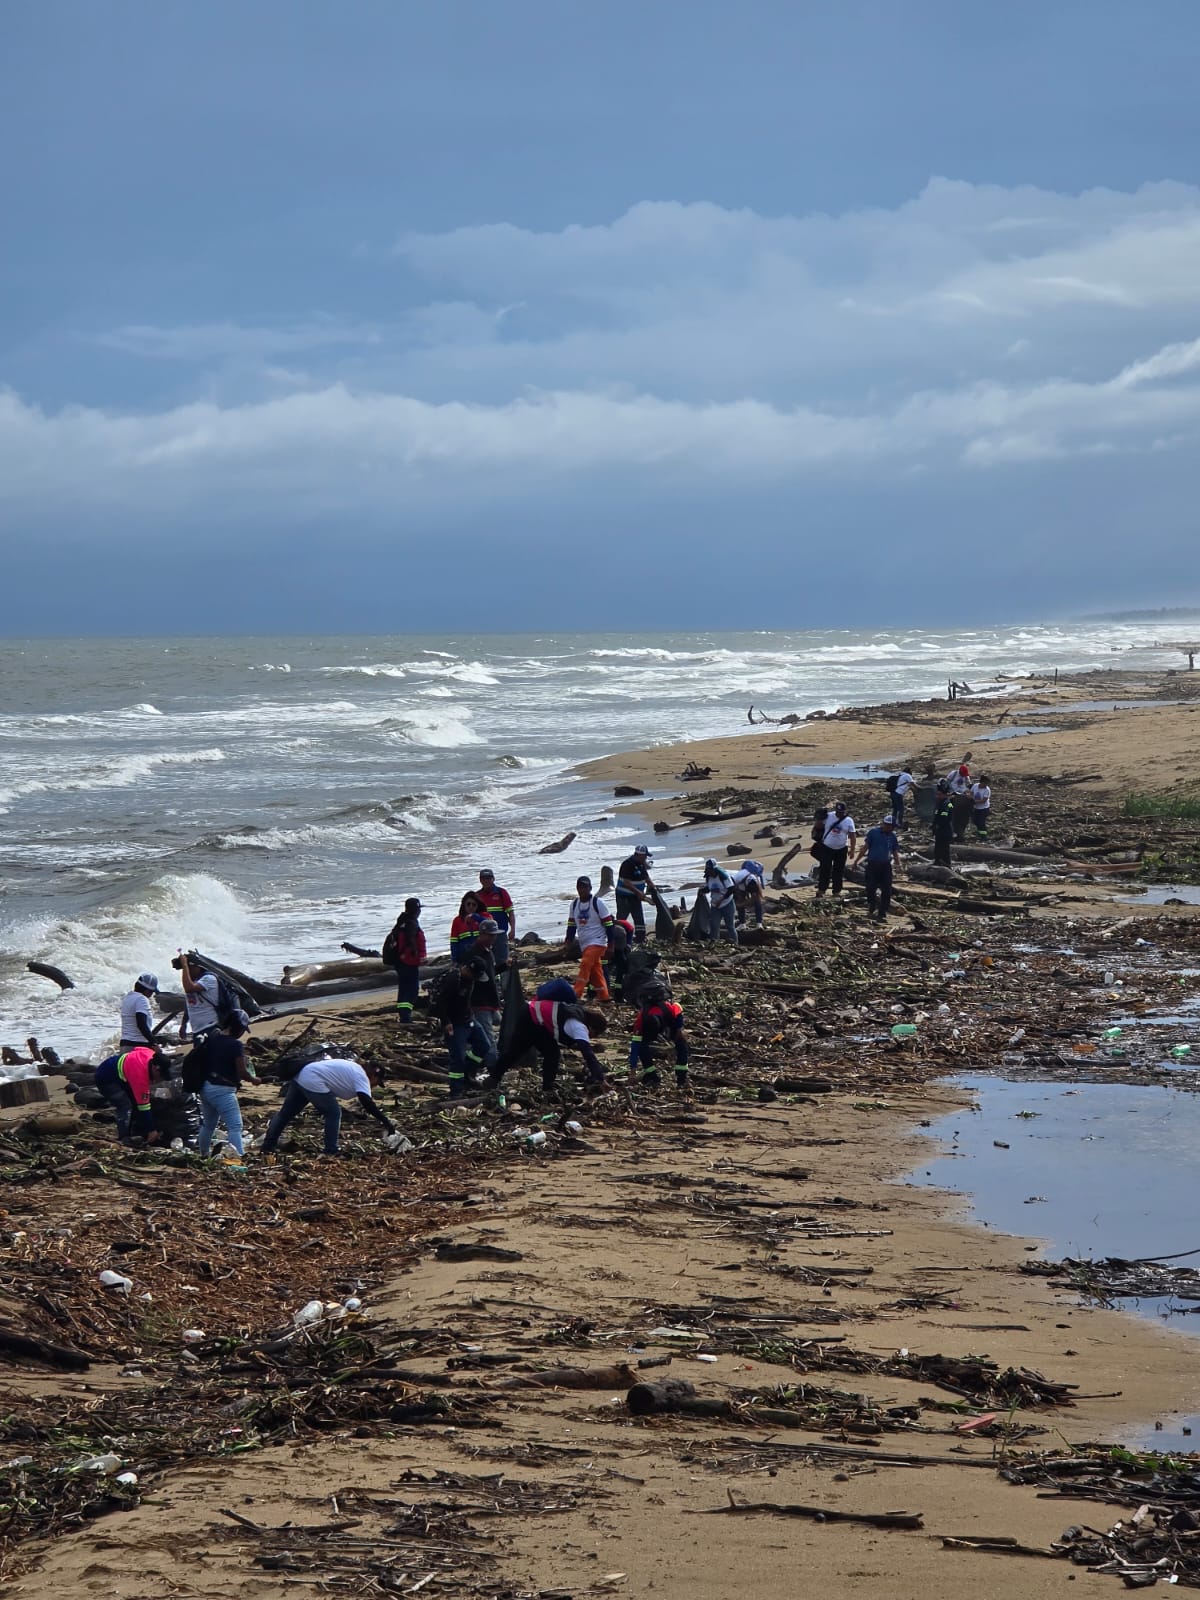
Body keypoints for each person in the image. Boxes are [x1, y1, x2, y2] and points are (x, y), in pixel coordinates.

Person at [259, 1055, 396, 1158]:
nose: (375, 1086)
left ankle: (268, 1146)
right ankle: (331, 1149)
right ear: (373, 1075)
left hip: (301, 1075)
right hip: (313, 1080)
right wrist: (386, 1122)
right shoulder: (361, 1076)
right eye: (377, 1082)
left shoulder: (354, 1068)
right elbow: (367, 1103)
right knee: (334, 1113)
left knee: (285, 1114)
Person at [489, 996, 609, 1095]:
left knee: (517, 1052)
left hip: (534, 1016)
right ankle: (547, 1089)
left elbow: (572, 1041)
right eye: (594, 1034)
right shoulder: (578, 1026)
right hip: (531, 1018)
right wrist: (601, 1078)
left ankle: (493, 1078)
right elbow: (587, 1054)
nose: (591, 1037)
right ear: (592, 1028)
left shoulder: (580, 1014)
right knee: (548, 1053)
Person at [196, 1014, 254, 1160]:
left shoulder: (212, 1039)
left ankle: (203, 1154)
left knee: (208, 1125)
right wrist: (255, 1079)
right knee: (235, 1126)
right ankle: (237, 1158)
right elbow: (242, 1072)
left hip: (205, 1086)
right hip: (223, 1090)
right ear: (237, 1027)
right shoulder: (235, 1045)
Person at [432, 963, 481, 1099]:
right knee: (457, 1058)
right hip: (454, 1024)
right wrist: (446, 1021)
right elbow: (440, 1002)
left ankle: (468, 1073)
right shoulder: (453, 980)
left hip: (468, 1019)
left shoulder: (470, 980)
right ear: (467, 970)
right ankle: (456, 1090)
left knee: (483, 1045)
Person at [630, 983, 690, 1090]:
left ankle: (681, 1078)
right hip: (658, 1025)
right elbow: (635, 1046)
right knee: (642, 1048)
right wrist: (632, 1071)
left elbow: (678, 1010)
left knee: (682, 1045)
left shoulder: (669, 1009)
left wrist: (679, 1029)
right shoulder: (642, 1019)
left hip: (670, 1023)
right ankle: (652, 1075)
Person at [95, 1045, 160, 1142]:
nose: (159, 1080)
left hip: (121, 1074)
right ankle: (123, 1137)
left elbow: (138, 1048)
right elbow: (144, 1106)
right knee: (125, 1105)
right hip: (106, 1077)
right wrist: (151, 1130)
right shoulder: (140, 1076)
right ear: (155, 1068)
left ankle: (137, 1130)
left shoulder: (151, 1055)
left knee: (135, 1101)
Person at [463, 917, 502, 1076]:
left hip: (491, 1002)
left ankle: (477, 1062)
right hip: (480, 1003)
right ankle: (493, 1071)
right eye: (491, 935)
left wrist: (505, 966)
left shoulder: (488, 952)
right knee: (488, 1040)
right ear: (483, 934)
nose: (494, 938)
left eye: (495, 935)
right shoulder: (473, 953)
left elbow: (491, 975)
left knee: (496, 1026)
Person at [565, 876, 614, 1000]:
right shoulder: (574, 904)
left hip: (598, 941)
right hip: (584, 943)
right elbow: (571, 924)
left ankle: (576, 993)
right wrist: (568, 940)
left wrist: (611, 945)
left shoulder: (598, 903)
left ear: (590, 888)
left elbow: (609, 924)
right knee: (595, 970)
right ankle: (604, 995)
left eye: (585, 887)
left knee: (586, 964)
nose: (582, 890)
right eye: (580, 887)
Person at [384, 899, 426, 1023]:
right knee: (412, 990)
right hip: (408, 962)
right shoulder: (411, 924)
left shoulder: (401, 922)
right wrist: (418, 956)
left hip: (400, 962)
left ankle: (404, 1015)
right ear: (416, 910)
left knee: (403, 989)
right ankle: (406, 1016)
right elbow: (412, 942)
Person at [855, 816, 901, 921]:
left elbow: (894, 851)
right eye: (891, 826)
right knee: (870, 887)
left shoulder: (893, 836)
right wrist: (856, 861)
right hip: (872, 865)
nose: (892, 829)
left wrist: (898, 864)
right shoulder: (873, 833)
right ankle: (872, 905)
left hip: (885, 866)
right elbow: (865, 847)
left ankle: (882, 912)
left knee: (886, 890)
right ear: (885, 825)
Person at [175, 952, 222, 1043]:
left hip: (210, 1026)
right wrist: (184, 1024)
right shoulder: (195, 981)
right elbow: (190, 1004)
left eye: (189, 968)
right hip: (197, 1029)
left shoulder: (209, 979)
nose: (187, 971)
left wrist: (185, 965)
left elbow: (189, 988)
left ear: (196, 967)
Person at [616, 845, 655, 943]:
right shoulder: (627, 864)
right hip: (624, 897)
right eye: (645, 856)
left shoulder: (641, 864)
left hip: (635, 897)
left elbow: (646, 877)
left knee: (639, 918)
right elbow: (626, 882)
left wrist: (652, 886)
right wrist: (638, 893)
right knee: (622, 918)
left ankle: (640, 939)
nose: (646, 858)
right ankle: (618, 938)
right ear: (640, 855)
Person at [476, 870, 515, 966]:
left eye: (488, 878)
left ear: (493, 879)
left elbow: (510, 912)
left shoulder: (501, 893)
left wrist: (512, 929)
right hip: (483, 935)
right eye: (484, 878)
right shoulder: (477, 896)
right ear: (480, 880)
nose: (486, 881)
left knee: (502, 961)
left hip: (500, 933)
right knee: (485, 962)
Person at [817, 803, 856, 898]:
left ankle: (836, 891)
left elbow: (852, 836)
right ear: (835, 811)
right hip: (827, 847)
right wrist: (819, 818)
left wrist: (852, 849)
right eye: (838, 812)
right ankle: (821, 890)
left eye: (842, 813)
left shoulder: (849, 821)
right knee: (825, 869)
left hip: (841, 848)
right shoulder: (829, 816)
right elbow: (818, 826)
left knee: (838, 870)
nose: (840, 814)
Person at [118, 973, 159, 1050]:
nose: (152, 994)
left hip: (125, 1044)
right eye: (152, 992)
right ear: (147, 991)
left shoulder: (127, 998)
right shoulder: (142, 999)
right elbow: (141, 1024)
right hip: (138, 1045)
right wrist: (154, 1043)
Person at [703, 859, 739, 944]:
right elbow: (708, 888)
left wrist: (721, 900)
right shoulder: (708, 877)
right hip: (715, 905)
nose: (711, 873)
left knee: (730, 926)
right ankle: (714, 942)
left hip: (727, 903)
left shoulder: (723, 875)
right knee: (714, 925)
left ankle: (735, 943)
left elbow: (731, 889)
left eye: (711, 870)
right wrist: (702, 891)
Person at [450, 892, 484, 964]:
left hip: (481, 955)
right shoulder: (457, 920)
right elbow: (454, 942)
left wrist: (475, 917)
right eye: (468, 904)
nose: (471, 906)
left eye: (474, 904)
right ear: (464, 905)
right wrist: (454, 959)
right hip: (464, 957)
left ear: (477, 906)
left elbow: (491, 924)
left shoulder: (483, 917)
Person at [732, 859, 766, 928]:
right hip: (738, 884)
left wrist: (742, 904)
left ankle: (759, 923)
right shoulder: (738, 877)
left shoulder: (752, 880)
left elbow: (754, 897)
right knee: (740, 902)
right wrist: (739, 903)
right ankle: (743, 923)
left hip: (746, 882)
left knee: (757, 902)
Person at [932, 782, 956, 868]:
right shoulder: (940, 803)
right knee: (937, 849)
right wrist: (933, 826)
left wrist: (938, 825)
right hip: (939, 831)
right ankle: (937, 863)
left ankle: (947, 865)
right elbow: (936, 816)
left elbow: (944, 818)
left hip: (945, 831)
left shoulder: (947, 804)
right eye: (937, 794)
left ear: (945, 794)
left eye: (939, 794)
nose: (937, 796)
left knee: (945, 850)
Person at [947, 764, 973, 841]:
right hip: (953, 793)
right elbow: (947, 781)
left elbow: (968, 784)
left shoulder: (966, 776)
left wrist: (968, 791)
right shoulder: (954, 773)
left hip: (962, 794)